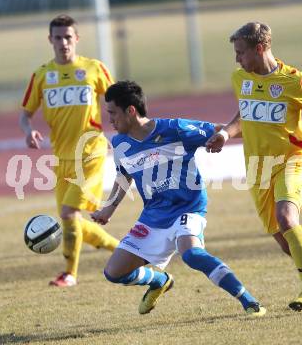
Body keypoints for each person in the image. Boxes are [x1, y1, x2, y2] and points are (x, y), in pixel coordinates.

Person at [206, 22, 302, 311]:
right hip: (257, 168)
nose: (237, 59)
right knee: (287, 244)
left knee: (287, 218)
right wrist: (225, 133)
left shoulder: (294, 80)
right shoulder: (240, 78)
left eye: (241, 52)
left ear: (260, 49)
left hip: (291, 161)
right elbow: (244, 113)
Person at [91, 80, 266, 316]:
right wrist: (108, 209)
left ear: (130, 111)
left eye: (112, 113)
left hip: (188, 208)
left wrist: (253, 136)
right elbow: (124, 175)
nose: (109, 119)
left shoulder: (175, 129)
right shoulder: (120, 142)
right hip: (153, 216)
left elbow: (223, 130)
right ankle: (159, 280)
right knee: (114, 272)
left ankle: (249, 301)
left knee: (192, 254)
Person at [19, 14, 119, 287]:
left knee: (69, 215)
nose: (63, 42)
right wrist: (28, 131)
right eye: (58, 37)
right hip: (61, 159)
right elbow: (25, 115)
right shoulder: (42, 75)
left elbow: (119, 99)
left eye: (68, 37)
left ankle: (70, 273)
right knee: (70, 221)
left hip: (91, 154)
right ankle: (123, 250)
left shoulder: (93, 68)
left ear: (76, 39)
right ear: (50, 40)